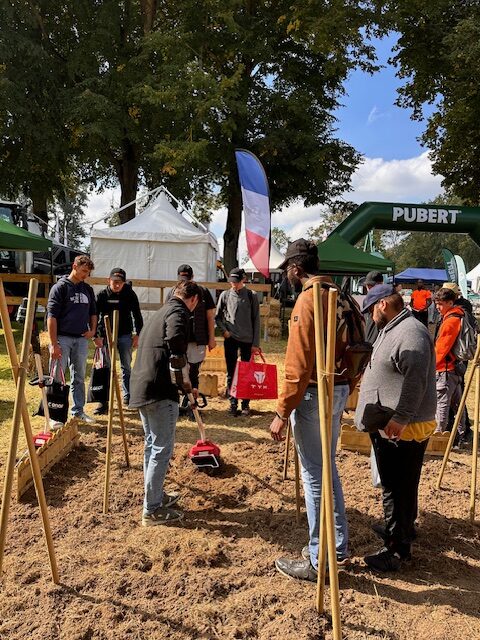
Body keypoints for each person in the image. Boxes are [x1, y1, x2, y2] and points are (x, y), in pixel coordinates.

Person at [269, 239, 350, 582]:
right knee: (326, 468)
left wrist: (281, 411)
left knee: (315, 475)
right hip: (339, 388)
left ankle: (321, 559)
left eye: (287, 268)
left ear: (296, 269)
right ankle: (338, 546)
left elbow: (298, 365)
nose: (286, 274)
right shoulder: (341, 294)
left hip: (315, 393)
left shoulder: (309, 299)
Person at [356, 284, 436, 572]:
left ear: (382, 305)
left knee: (396, 485)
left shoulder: (410, 332)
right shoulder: (394, 328)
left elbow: (416, 381)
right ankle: (402, 529)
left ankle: (397, 549)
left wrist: (401, 417)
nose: (370, 317)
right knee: (401, 483)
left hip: (404, 426)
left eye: (370, 310)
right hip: (396, 423)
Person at [129, 279, 202, 526]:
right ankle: (152, 509)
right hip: (159, 390)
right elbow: (174, 344)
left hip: (142, 386)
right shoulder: (178, 312)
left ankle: (155, 497)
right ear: (193, 300)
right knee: (161, 448)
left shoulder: (161, 310)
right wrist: (185, 382)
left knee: (152, 445)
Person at [47, 255, 97, 424]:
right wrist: (54, 344)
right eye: (83, 271)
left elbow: (93, 312)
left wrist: (93, 330)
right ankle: (55, 415)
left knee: (79, 376)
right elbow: (51, 317)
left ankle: (78, 411)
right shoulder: (60, 288)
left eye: (88, 273)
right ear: (74, 266)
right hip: (62, 337)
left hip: (81, 339)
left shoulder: (87, 289)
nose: (85, 275)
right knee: (57, 377)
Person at [93, 268, 144, 414]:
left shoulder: (129, 294)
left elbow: (137, 315)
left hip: (124, 335)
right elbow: (95, 316)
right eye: (114, 282)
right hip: (106, 335)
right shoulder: (102, 295)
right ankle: (103, 402)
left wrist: (138, 334)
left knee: (126, 366)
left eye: (120, 283)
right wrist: (96, 336)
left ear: (124, 283)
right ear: (108, 281)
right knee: (105, 368)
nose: (117, 285)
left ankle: (128, 397)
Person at [215, 267, 260, 417]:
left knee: (246, 373)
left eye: (236, 282)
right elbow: (217, 317)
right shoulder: (225, 295)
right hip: (231, 339)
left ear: (243, 280)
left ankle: (245, 403)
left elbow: (256, 320)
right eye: (231, 282)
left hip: (247, 340)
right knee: (231, 372)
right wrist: (224, 331)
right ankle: (233, 402)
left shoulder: (251, 295)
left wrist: (255, 344)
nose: (233, 285)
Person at [166, 264, 216, 393]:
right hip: (179, 338)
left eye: (187, 278)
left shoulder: (203, 291)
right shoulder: (172, 292)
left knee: (194, 372)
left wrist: (211, 338)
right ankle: (180, 401)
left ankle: (192, 405)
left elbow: (210, 316)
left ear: (192, 277)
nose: (185, 281)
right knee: (178, 371)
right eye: (182, 278)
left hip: (197, 338)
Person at [433, 287, 465, 434]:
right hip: (455, 367)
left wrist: (431, 365)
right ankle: (461, 434)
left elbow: (441, 348)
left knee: (442, 403)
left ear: (450, 303)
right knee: (457, 404)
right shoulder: (458, 316)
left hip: (445, 369)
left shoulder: (450, 321)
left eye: (440, 304)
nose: (437, 308)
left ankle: (439, 434)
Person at [362, 271, 384, 344]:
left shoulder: (385, 302)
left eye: (371, 285)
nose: (368, 288)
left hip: (378, 346)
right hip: (368, 345)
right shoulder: (366, 301)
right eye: (368, 285)